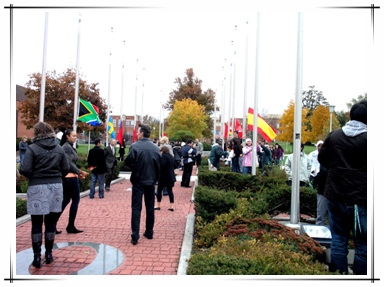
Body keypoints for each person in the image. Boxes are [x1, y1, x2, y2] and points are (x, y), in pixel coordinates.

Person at [318, 100, 367, 275]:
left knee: (338, 238)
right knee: (363, 242)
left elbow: (322, 159)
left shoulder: (335, 136)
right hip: (361, 198)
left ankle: (339, 276)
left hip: (336, 194)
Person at [20, 122, 70, 268]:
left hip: (37, 186)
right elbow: (65, 168)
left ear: (36, 133)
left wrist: (35, 176)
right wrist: (56, 177)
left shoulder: (32, 148)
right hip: (55, 186)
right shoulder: (59, 149)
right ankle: (49, 254)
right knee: (51, 222)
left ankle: (37, 257)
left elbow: (25, 169)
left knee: (36, 223)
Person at [125, 124, 161, 245]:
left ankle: (135, 235)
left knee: (136, 207)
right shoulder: (156, 148)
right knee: (150, 207)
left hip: (138, 181)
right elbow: (159, 166)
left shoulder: (135, 146)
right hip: (150, 181)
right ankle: (149, 231)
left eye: (138, 131)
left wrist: (135, 169)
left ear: (141, 133)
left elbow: (128, 162)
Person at [56, 129, 89, 234]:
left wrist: (78, 174)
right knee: (74, 200)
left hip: (70, 177)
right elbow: (68, 164)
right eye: (73, 136)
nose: (75, 137)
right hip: (69, 179)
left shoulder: (68, 147)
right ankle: (69, 226)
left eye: (76, 136)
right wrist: (80, 172)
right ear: (67, 136)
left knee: (65, 200)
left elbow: (70, 164)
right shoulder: (66, 147)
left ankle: (53, 225)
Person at [154, 146, 176, 211]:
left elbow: (162, 165)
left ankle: (158, 205)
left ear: (163, 150)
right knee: (170, 191)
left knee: (159, 190)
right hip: (171, 176)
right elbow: (175, 165)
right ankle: (171, 206)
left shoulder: (164, 156)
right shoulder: (171, 156)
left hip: (163, 176)